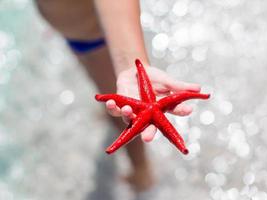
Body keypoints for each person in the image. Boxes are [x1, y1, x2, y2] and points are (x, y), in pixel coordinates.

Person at [36, 0, 201, 193]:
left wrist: (131, 65)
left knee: (122, 112)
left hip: (97, 38)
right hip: (79, 33)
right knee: (111, 98)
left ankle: (141, 170)